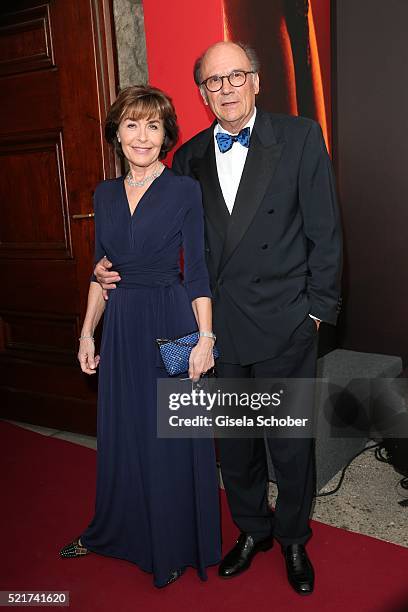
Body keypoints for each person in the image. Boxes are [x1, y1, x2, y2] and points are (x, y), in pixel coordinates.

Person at [95, 42, 342, 595]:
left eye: (236, 77)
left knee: (288, 441)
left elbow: (325, 231)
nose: (226, 88)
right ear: (202, 94)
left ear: (256, 81)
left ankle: (294, 536)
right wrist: (109, 265)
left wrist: (318, 312)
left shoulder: (299, 137)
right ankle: (252, 530)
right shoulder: (189, 157)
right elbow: (163, 233)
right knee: (233, 444)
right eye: (213, 81)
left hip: (285, 320)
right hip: (214, 327)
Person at [59, 85, 221, 588]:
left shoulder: (183, 191)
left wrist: (205, 338)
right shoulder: (103, 195)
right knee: (124, 432)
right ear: (117, 134)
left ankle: (172, 542)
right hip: (122, 324)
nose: (143, 136)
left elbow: (196, 272)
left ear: (166, 135)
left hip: (169, 320)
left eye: (153, 126)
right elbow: (100, 272)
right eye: (132, 124)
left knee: (168, 436)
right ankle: (116, 530)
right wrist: (88, 333)